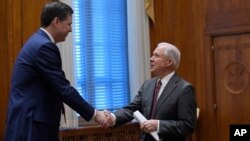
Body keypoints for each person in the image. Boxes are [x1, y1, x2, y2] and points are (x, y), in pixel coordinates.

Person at [5, 2, 107, 141]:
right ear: (56, 22)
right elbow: (64, 89)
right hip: (33, 129)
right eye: (69, 24)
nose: (71, 30)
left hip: (30, 124)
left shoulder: (37, 42)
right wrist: (95, 114)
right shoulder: (44, 47)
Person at [104, 42, 197, 141]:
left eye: (156, 56)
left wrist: (158, 125)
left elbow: (188, 126)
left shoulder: (184, 89)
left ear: (169, 62)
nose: (151, 59)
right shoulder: (147, 85)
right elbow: (132, 109)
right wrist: (113, 117)